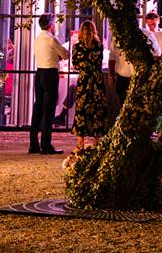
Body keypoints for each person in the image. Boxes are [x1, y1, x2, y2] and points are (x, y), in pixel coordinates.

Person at [29, 15, 69, 154]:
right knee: (49, 109)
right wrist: (58, 56)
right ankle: (46, 145)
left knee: (38, 107)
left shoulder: (37, 39)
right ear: (51, 25)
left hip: (39, 72)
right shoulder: (52, 39)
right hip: (50, 73)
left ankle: (33, 144)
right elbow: (66, 54)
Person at [70, 20, 112, 151]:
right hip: (97, 80)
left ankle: (80, 142)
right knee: (97, 109)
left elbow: (75, 64)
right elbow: (100, 62)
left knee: (82, 109)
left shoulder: (77, 47)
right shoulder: (99, 45)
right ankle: (96, 141)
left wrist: (83, 67)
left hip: (84, 80)